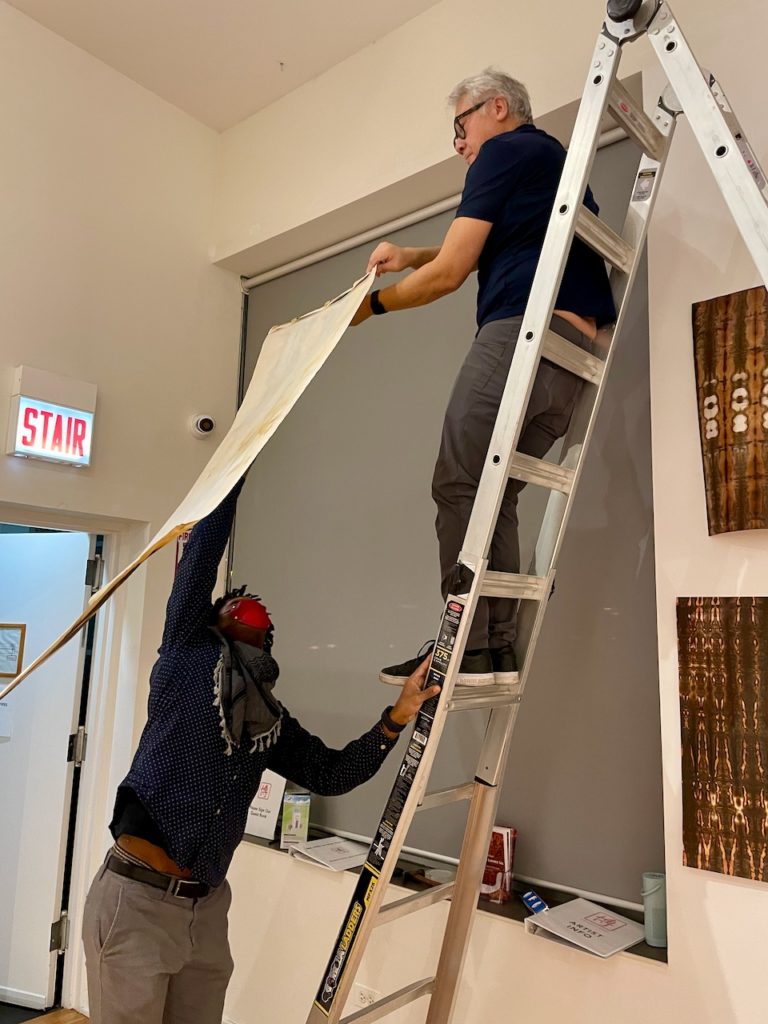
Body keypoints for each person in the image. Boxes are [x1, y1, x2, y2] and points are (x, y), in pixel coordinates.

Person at [81, 478, 438, 1024]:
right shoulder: (185, 657)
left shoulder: (265, 721)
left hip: (205, 909)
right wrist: (242, 461)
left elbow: (332, 772)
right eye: (236, 606)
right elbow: (202, 556)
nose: (252, 609)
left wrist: (397, 718)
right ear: (216, 620)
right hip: (136, 902)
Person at [350, 69, 616, 687]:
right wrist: (409, 255)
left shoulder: (502, 152)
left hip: (524, 332)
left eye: (460, 125)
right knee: (494, 493)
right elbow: (468, 251)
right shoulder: (547, 159)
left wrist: (368, 309)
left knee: (456, 483)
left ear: (498, 107)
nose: (459, 144)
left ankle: (463, 643)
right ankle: (489, 649)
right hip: (573, 350)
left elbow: (450, 274)